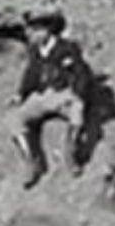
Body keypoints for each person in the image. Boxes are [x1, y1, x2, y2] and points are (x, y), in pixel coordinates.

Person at [12, 12, 93, 188]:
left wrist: (77, 93)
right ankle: (32, 163)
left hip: (63, 94)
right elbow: (31, 74)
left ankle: (71, 153)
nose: (30, 35)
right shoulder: (35, 51)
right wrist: (21, 94)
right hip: (42, 96)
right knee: (16, 119)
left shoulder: (67, 47)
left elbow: (82, 73)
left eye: (34, 31)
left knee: (77, 111)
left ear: (46, 30)